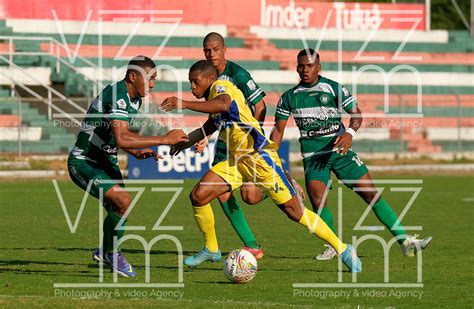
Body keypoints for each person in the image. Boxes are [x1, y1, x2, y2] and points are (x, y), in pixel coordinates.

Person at [160, 60, 361, 272]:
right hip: (236, 160)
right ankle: (211, 248)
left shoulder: (222, 87)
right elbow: (212, 123)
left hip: (258, 158)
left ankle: (343, 249)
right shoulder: (211, 95)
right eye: (190, 82)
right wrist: (187, 142)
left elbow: (224, 104)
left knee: (295, 212)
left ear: (210, 79)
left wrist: (184, 103)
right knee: (199, 195)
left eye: (195, 82)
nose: (192, 87)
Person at [270, 49, 432, 260]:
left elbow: (356, 115)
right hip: (313, 157)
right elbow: (278, 130)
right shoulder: (289, 97)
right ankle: (334, 245)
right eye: (300, 65)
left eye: (309, 66)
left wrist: (349, 133)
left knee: (371, 194)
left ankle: (404, 240)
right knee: (318, 202)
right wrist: (270, 155)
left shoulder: (334, 88)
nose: (304, 70)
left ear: (318, 67)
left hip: (340, 151)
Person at [68, 55, 189, 277]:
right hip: (84, 160)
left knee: (120, 207)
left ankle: (106, 252)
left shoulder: (134, 99)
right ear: (133, 76)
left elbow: (117, 137)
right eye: (150, 78)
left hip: (106, 160)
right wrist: (165, 139)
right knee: (123, 201)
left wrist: (135, 150)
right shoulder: (117, 96)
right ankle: (112, 255)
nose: (152, 84)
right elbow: (122, 137)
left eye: (155, 79)